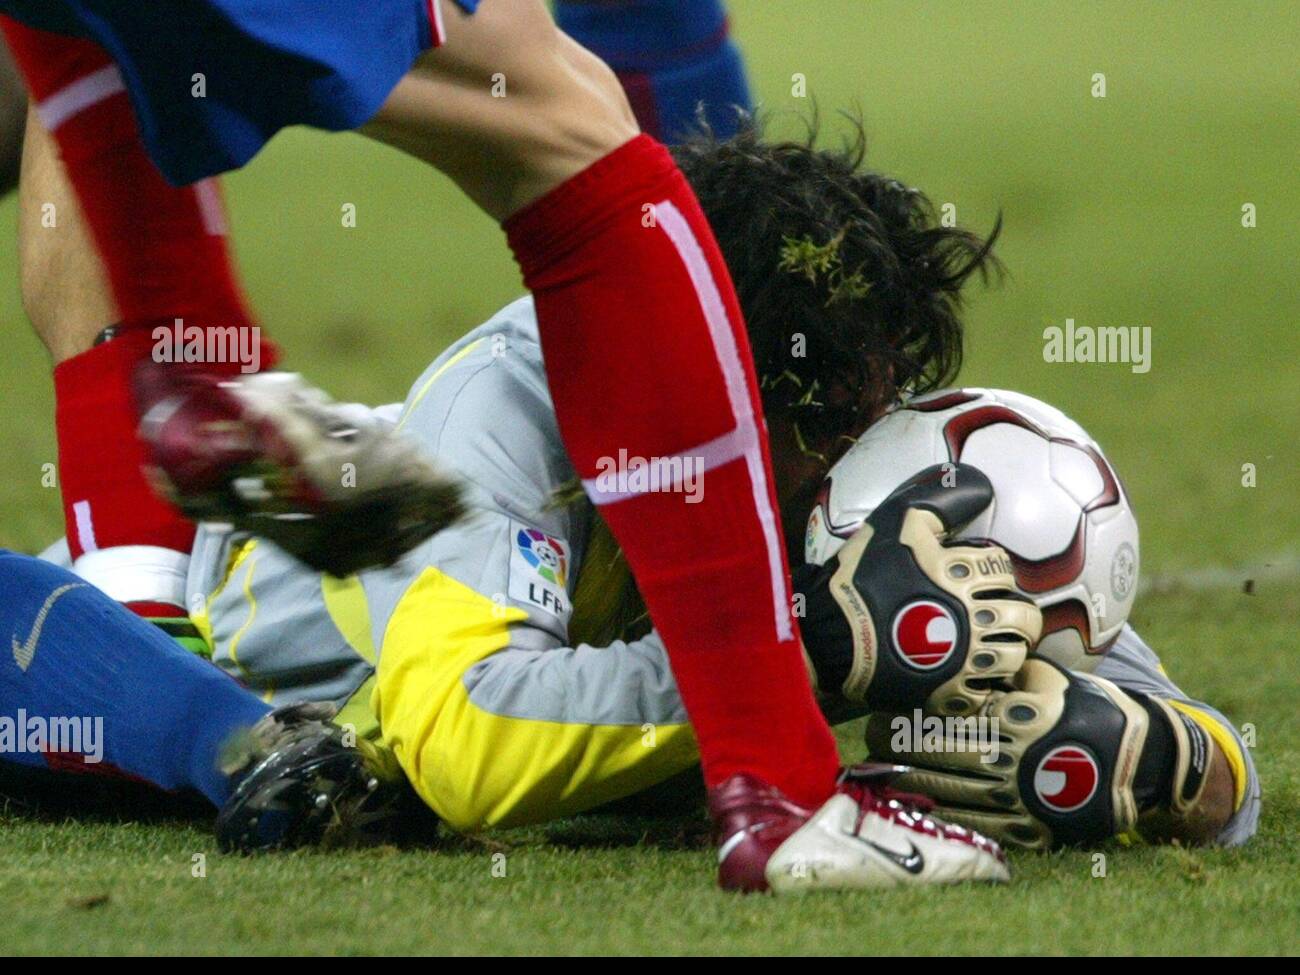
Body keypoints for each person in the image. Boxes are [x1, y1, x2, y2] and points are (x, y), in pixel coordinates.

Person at [7, 123, 1255, 888]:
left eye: (879, 411)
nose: (851, 467)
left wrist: (1178, 757)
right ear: (707, 379)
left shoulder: (870, 449)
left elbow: (1172, 728)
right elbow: (467, 742)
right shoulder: (502, 408)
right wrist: (816, 651)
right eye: (818, 428)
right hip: (180, 633)